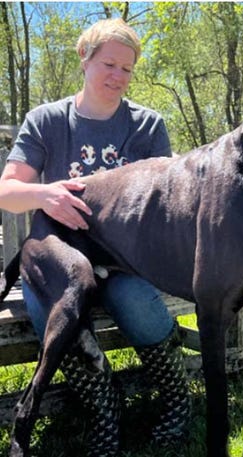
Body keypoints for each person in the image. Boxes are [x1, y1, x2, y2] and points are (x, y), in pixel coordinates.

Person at [0, 18, 191, 456]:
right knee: (64, 324)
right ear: (84, 59)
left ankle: (177, 404)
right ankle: (106, 415)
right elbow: (7, 192)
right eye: (109, 64)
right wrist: (43, 194)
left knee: (139, 305)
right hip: (58, 260)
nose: (118, 77)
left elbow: (165, 203)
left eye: (127, 69)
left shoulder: (146, 126)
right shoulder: (47, 120)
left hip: (124, 260)